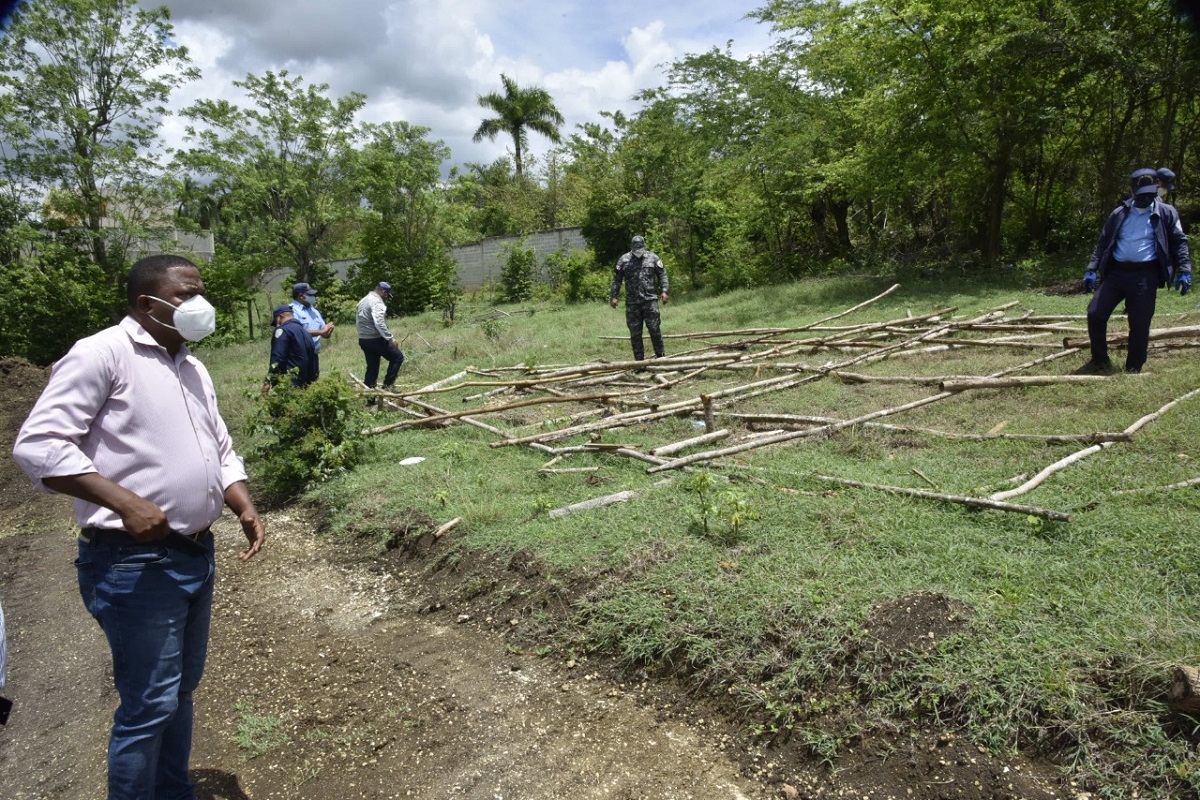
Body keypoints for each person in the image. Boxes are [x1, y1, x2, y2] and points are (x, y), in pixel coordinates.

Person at [11, 254, 266, 799]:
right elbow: (38, 445)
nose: (199, 304)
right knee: (149, 703)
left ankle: (174, 791)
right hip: (132, 561)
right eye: (186, 295)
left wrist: (239, 500)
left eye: (201, 292)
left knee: (180, 690)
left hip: (194, 553)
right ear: (147, 304)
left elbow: (216, 443)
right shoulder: (102, 354)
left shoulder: (191, 366)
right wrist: (124, 501)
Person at [1078, 168, 1192, 374]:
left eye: (1150, 194)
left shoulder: (1166, 213)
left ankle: (1133, 367)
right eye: (1142, 194)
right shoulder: (1119, 213)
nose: (1146, 198)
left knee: (1139, 323)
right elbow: (1103, 242)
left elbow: (1179, 242)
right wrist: (1092, 268)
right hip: (1116, 274)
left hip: (1145, 275)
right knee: (1095, 313)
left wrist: (1185, 269)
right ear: (1132, 191)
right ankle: (1099, 360)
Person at [609, 235, 670, 363]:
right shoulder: (624, 260)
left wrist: (664, 291)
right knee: (635, 334)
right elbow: (617, 280)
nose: (638, 250)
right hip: (632, 304)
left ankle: (661, 359)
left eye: (640, 248)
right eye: (636, 248)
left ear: (644, 246)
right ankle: (639, 364)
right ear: (631, 247)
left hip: (650, 301)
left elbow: (662, 274)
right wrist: (613, 296)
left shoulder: (653, 258)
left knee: (654, 329)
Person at [356, 281, 404, 402]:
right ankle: (388, 387)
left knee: (372, 367)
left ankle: (370, 397)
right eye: (387, 294)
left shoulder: (364, 300)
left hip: (364, 339)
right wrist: (390, 339)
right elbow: (379, 322)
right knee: (397, 357)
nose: (387, 297)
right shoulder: (376, 301)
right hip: (375, 339)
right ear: (383, 291)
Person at [266, 304, 318, 388]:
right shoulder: (306, 333)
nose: (276, 325)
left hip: (288, 383)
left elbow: (278, 358)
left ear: (281, 316)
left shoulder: (283, 330)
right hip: (306, 383)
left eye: (276, 322)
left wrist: (268, 380)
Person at [288, 282, 334, 377]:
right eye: (310, 294)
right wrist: (321, 332)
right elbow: (297, 331)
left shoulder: (313, 310)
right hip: (298, 355)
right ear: (301, 296)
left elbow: (322, 331)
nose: (313, 297)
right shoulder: (291, 311)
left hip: (314, 353)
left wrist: (327, 332)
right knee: (300, 382)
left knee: (313, 380)